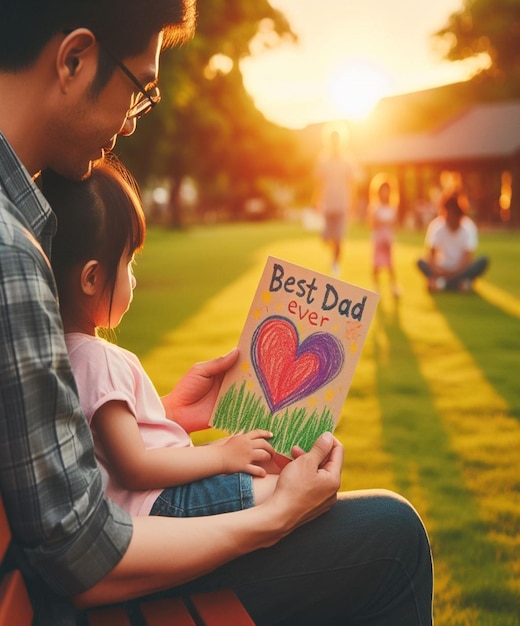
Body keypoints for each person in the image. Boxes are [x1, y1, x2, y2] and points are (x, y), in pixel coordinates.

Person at [0, 2, 433, 624]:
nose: (131, 119)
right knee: (393, 539)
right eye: (138, 89)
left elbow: (44, 456)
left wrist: (164, 417)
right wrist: (273, 517)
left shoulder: (25, 234)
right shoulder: (13, 251)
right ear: (74, 59)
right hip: (74, 594)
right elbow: (84, 555)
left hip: (56, 564)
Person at [44, 159, 279, 519]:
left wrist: (177, 418)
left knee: (268, 467)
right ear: (91, 279)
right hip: (164, 502)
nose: (133, 279)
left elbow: (122, 442)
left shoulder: (63, 355)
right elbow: (135, 467)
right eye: (128, 263)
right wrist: (221, 455)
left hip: (160, 496)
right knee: (287, 483)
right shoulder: (97, 358)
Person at [417, 192, 489, 292]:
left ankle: (442, 284)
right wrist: (440, 270)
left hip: (461, 269)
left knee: (483, 261)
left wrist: (452, 273)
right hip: (441, 268)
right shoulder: (436, 226)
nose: (451, 219)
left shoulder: (469, 227)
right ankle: (460, 284)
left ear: (460, 215)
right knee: (420, 261)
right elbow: (431, 257)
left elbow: (467, 259)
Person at [313, 129, 355, 276]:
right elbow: (319, 183)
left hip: (342, 204)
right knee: (326, 238)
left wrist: (353, 203)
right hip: (327, 204)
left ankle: (335, 263)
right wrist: (315, 200)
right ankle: (333, 257)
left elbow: (352, 183)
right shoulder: (323, 161)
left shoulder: (347, 161)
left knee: (339, 238)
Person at [370, 180, 400, 296]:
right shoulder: (375, 207)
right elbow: (371, 223)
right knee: (376, 265)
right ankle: (376, 286)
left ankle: (393, 287)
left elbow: (395, 224)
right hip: (378, 239)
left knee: (390, 265)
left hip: (388, 240)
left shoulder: (392, 208)